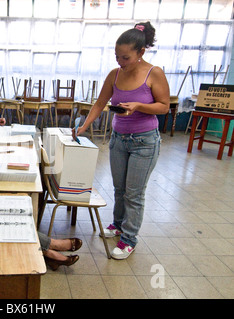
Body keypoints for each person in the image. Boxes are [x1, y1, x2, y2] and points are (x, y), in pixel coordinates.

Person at [74, 22, 170, 260]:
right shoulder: (114, 74)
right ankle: (117, 224)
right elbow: (99, 103)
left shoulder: (153, 73)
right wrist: (83, 127)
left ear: (141, 53)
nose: (120, 61)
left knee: (134, 194)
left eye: (125, 57)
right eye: (117, 56)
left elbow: (164, 107)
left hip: (144, 142)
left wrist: (139, 106)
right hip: (119, 139)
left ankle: (129, 239)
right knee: (119, 189)